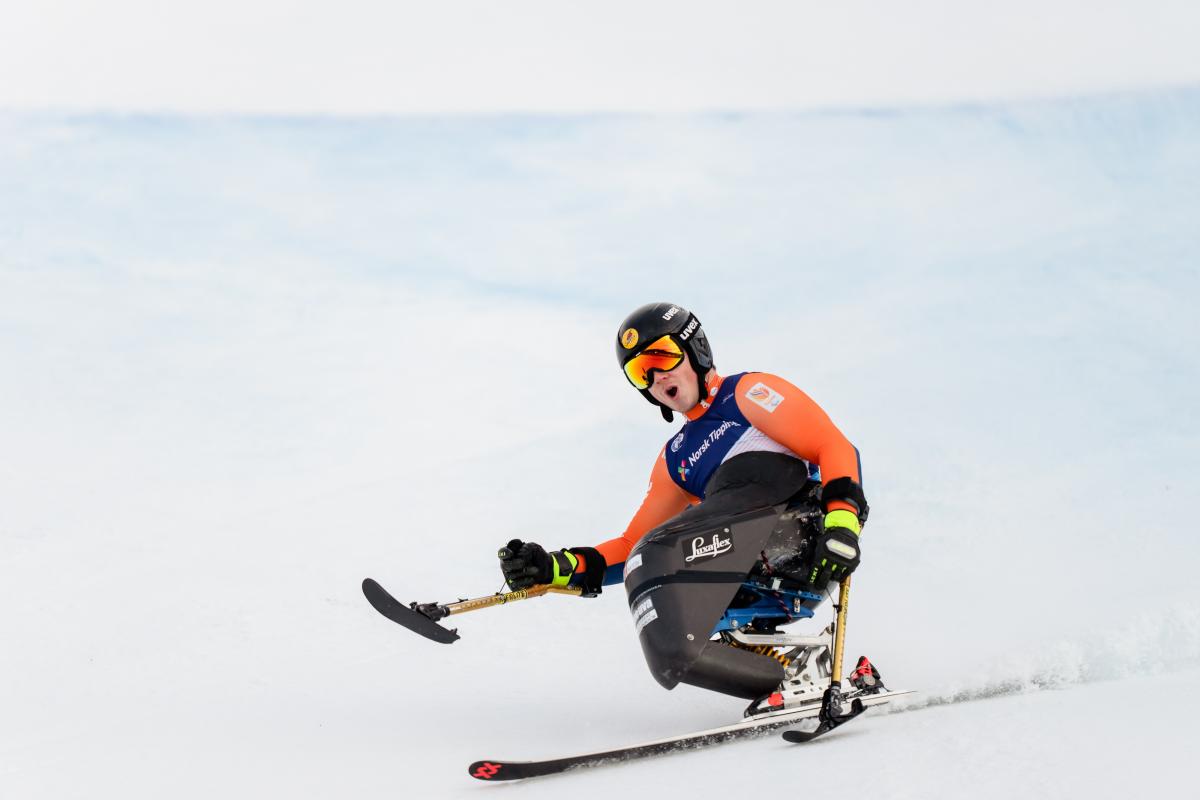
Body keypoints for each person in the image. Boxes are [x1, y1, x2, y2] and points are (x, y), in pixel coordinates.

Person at [499, 302, 868, 700]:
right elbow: (630, 548)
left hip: (804, 533)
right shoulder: (676, 458)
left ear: (696, 350)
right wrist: (556, 567)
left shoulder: (748, 393)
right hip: (746, 553)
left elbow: (832, 445)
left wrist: (843, 523)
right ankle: (785, 673)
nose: (656, 377)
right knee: (650, 559)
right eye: (641, 372)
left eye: (662, 357)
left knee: (660, 551)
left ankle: (771, 667)